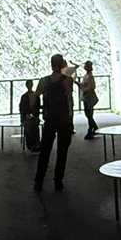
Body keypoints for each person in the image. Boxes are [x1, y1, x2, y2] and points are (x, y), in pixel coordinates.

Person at [34, 54, 75, 192]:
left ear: (51, 65)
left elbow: (35, 97)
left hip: (49, 119)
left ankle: (39, 181)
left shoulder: (44, 81)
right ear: (62, 64)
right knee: (62, 152)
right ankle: (58, 181)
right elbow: (69, 99)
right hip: (64, 120)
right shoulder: (67, 80)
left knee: (45, 151)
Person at [76, 60, 99, 139]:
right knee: (88, 114)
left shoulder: (90, 76)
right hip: (86, 97)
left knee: (89, 114)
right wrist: (78, 83)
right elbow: (85, 85)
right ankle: (93, 127)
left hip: (89, 97)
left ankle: (91, 129)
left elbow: (92, 86)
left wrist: (84, 89)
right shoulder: (87, 75)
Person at [18, 79, 40, 152]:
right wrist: (26, 115)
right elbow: (22, 109)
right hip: (27, 117)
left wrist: (33, 115)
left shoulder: (30, 96)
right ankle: (32, 145)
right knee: (30, 127)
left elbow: (37, 107)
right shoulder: (26, 96)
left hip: (33, 116)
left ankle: (35, 144)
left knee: (34, 127)